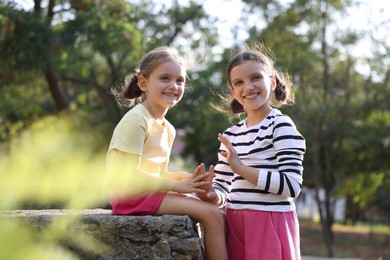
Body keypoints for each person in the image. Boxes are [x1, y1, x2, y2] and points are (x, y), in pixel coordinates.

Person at [106, 46, 228, 260]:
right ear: (143, 83)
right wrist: (176, 186)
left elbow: (155, 175)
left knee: (215, 211)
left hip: (146, 193)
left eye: (180, 80)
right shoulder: (137, 120)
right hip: (130, 196)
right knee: (212, 215)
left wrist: (184, 178)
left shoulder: (168, 128)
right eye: (165, 78)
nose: (173, 86)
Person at [196, 45, 306, 260]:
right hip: (235, 222)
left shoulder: (281, 126)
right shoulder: (231, 134)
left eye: (256, 77)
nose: (248, 87)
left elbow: (292, 186)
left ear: (272, 81)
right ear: (233, 91)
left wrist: (243, 169)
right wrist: (211, 194)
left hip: (269, 222)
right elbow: (224, 186)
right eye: (239, 82)